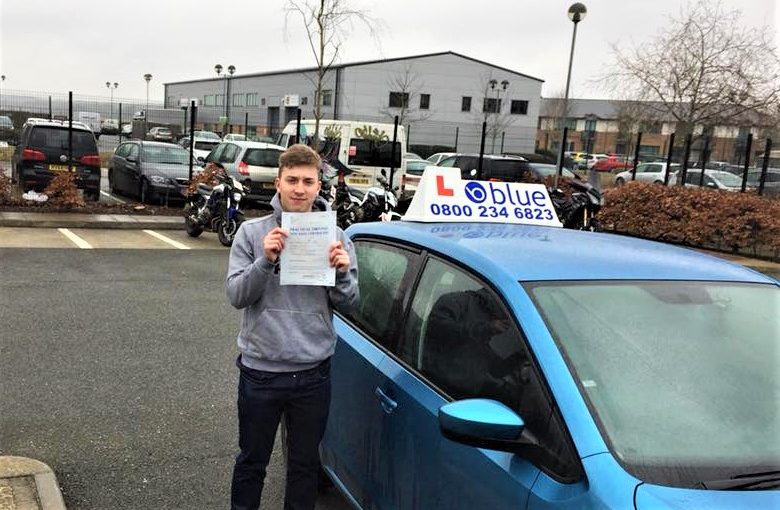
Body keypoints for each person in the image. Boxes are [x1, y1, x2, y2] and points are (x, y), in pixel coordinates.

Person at [225, 143, 359, 510]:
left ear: (320, 186)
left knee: (303, 466)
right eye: (292, 180)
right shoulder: (252, 234)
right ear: (278, 184)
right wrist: (264, 262)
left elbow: (350, 303)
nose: (300, 188)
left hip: (312, 374)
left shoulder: (337, 238)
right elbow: (237, 295)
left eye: (308, 181)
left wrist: (342, 273)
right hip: (261, 372)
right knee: (252, 462)